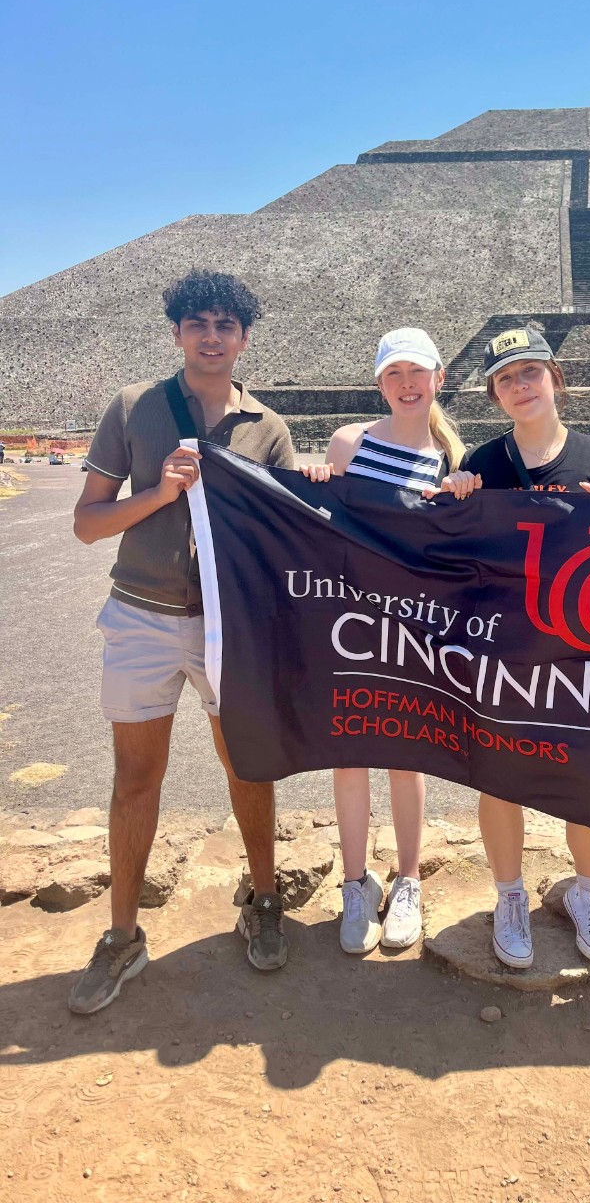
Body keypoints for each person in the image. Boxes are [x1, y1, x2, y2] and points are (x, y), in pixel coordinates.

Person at [68, 269, 296, 1015]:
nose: (211, 336)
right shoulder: (134, 407)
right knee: (136, 779)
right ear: (176, 333)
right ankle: (122, 933)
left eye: (225, 324)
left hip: (230, 626)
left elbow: (290, 534)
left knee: (248, 767)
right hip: (140, 614)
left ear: (244, 338)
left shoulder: (268, 426)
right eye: (197, 322)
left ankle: (263, 897)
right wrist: (160, 492)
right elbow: (88, 521)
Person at [460, 326, 590, 970]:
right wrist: (455, 502)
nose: (520, 386)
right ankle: (510, 897)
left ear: (555, 379)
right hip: (504, 645)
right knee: (500, 772)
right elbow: (455, 555)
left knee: (588, 772)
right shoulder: (481, 465)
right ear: (495, 395)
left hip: (582, 645)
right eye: (506, 378)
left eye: (530, 372)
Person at [301, 328, 476, 955]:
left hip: (414, 623)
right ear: (380, 384)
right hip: (350, 618)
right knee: (350, 754)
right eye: (394, 374)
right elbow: (324, 522)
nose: (407, 384)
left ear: (438, 380)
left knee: (407, 754)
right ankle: (354, 882)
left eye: (418, 373)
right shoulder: (352, 441)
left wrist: (463, 500)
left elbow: (459, 549)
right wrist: (319, 478)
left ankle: (407, 880)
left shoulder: (455, 460)